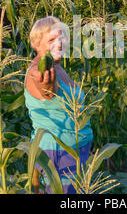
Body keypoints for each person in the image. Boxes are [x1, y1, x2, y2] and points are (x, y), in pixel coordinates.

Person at [24, 16, 93, 194]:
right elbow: (46, 89)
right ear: (37, 44)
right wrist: (47, 87)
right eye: (52, 40)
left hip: (76, 153)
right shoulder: (36, 70)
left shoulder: (59, 68)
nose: (59, 44)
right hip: (57, 155)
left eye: (61, 38)